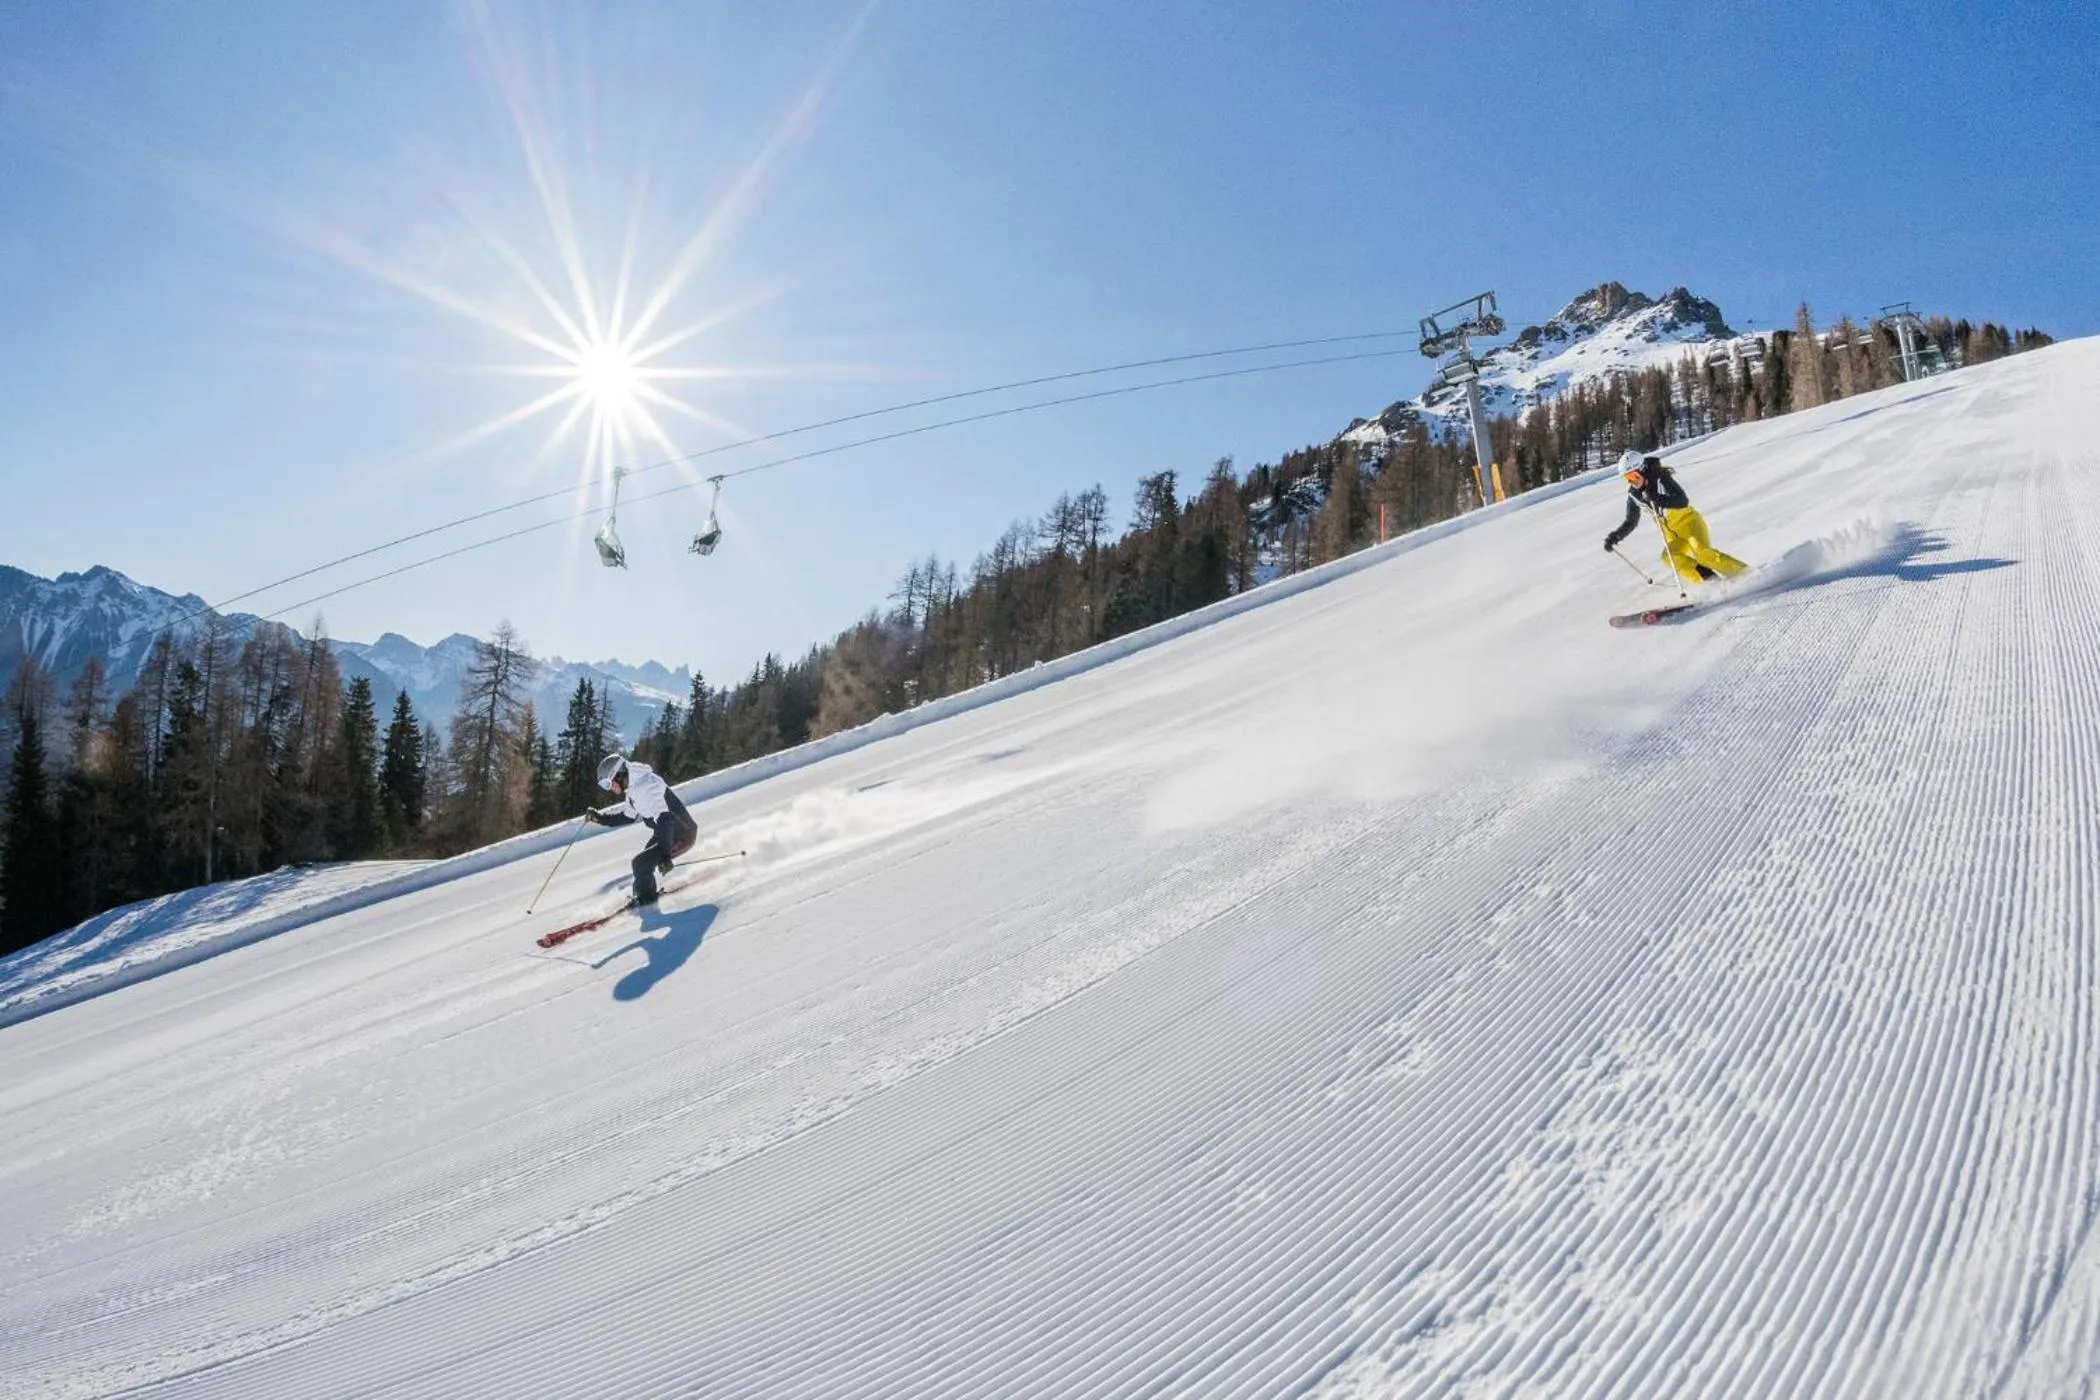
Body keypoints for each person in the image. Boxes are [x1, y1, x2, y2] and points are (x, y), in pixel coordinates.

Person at [1603, 452, 1747, 585]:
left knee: (1703, 553)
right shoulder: (1635, 495)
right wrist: (1615, 536)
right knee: (1670, 557)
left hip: (1689, 524)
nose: (1631, 482)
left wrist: (1658, 499)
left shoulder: (1661, 478)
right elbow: (1631, 521)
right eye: (1626, 479)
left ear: (1642, 469)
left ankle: (1744, 573)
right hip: (1672, 536)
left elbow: (1682, 500)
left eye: (1633, 477)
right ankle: (1709, 581)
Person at [584, 753, 697, 905]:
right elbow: (628, 817)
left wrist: (665, 855)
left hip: (682, 834)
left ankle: (647, 900)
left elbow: (666, 819)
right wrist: (600, 818)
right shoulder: (632, 790)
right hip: (665, 832)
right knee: (642, 865)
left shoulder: (649, 786)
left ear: (618, 775)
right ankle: (641, 894)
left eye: (608, 784)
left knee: (640, 863)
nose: (609, 788)